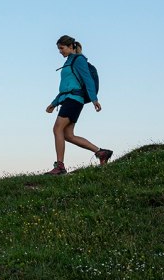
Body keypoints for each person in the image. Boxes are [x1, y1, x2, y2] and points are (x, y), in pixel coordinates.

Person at [43, 35, 112, 175]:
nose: (60, 51)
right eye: (58, 49)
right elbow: (67, 86)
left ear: (70, 46)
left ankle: (60, 166)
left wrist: (94, 99)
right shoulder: (68, 62)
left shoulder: (78, 60)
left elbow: (87, 79)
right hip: (69, 99)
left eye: (61, 48)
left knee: (57, 129)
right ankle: (101, 153)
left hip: (73, 100)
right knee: (68, 135)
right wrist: (54, 103)